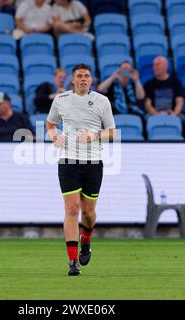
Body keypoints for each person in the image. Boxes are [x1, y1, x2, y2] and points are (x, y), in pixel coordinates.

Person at [46, 64, 115, 276]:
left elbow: (112, 132)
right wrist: (54, 137)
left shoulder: (102, 101)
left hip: (93, 162)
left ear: (91, 80)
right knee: (72, 209)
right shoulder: (61, 100)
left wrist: (94, 136)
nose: (83, 79)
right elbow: (50, 124)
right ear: (73, 80)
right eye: (79, 76)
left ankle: (86, 240)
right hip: (68, 161)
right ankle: (73, 260)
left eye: (86, 76)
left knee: (88, 213)